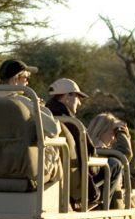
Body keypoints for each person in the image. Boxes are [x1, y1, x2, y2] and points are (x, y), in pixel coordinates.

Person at [46, 78, 122, 209]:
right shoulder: (73, 124)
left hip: (55, 172)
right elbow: (90, 160)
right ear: (67, 96)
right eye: (78, 97)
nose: (79, 103)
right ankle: (101, 208)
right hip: (75, 179)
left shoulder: (44, 116)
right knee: (115, 164)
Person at [0, 59, 60, 138]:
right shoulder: (20, 102)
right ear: (15, 79)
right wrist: (38, 107)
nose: (27, 82)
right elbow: (53, 130)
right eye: (26, 78)